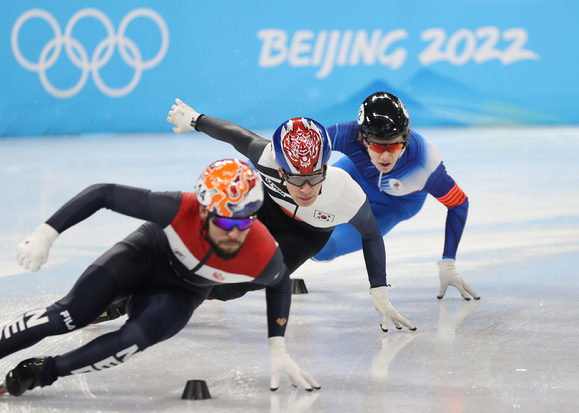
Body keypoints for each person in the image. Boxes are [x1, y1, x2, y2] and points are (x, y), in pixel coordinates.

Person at [0, 159, 319, 397]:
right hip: (144, 256)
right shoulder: (179, 208)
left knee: (135, 338)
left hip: (180, 292)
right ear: (205, 212)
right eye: (226, 223)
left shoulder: (261, 248)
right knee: (69, 315)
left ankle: (43, 372)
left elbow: (279, 282)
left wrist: (278, 346)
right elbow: (103, 193)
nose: (235, 234)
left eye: (244, 223)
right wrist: (45, 234)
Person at [166, 98, 416, 333]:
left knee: (248, 278)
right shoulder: (266, 158)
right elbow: (234, 134)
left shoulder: (346, 194)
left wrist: (379, 291)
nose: (306, 189)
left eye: (315, 177)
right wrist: (194, 119)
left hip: (306, 234)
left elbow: (371, 235)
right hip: (269, 206)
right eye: (296, 179)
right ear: (281, 171)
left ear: (326, 167)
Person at [313, 92, 479, 301]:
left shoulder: (424, 165)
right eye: (376, 146)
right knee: (298, 197)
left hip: (394, 205)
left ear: (405, 138)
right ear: (362, 139)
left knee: (324, 249)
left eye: (392, 146)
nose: (384, 156)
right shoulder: (347, 135)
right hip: (357, 175)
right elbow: (293, 149)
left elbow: (459, 204)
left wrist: (448, 262)